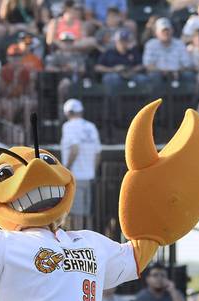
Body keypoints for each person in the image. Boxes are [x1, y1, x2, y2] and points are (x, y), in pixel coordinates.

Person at [60, 99, 102, 230]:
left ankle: (78, 243)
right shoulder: (91, 126)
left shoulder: (68, 126)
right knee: (86, 214)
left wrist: (65, 169)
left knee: (76, 215)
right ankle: (88, 241)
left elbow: (75, 149)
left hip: (75, 176)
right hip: (89, 176)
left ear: (68, 113)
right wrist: (92, 172)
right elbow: (98, 153)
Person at [142, 17, 194, 88]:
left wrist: (177, 71)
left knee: (189, 75)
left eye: (168, 30)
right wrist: (163, 71)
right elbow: (148, 65)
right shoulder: (151, 44)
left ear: (172, 30)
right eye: (163, 31)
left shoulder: (180, 43)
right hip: (159, 73)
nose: (166, 33)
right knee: (154, 76)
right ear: (156, 32)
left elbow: (187, 64)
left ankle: (189, 99)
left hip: (178, 73)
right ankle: (157, 98)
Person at [95, 28, 146, 94]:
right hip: (114, 74)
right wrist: (113, 69)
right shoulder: (109, 52)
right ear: (116, 41)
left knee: (142, 79)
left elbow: (141, 66)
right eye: (121, 41)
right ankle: (114, 102)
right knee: (112, 78)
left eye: (125, 40)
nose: (123, 43)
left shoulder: (133, 52)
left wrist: (131, 70)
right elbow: (97, 67)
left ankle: (141, 102)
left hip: (131, 74)